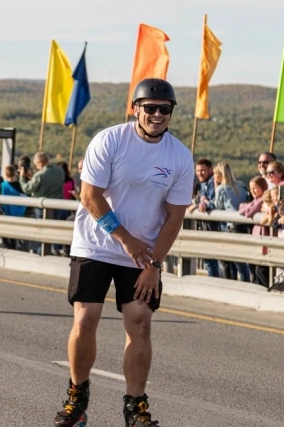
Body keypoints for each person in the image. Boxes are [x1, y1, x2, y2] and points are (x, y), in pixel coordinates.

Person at [54, 78, 194, 427]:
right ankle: (77, 399)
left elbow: (175, 216)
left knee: (140, 325)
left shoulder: (179, 155)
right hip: (96, 244)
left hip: (143, 255)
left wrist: (155, 265)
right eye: (150, 108)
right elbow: (90, 197)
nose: (157, 115)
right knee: (85, 320)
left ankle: (135, 409)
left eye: (165, 109)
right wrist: (125, 239)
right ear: (136, 109)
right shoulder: (110, 140)